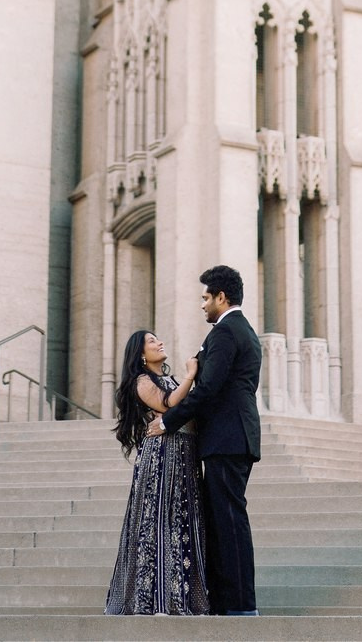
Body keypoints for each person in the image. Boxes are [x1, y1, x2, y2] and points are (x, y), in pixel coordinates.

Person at [146, 264, 262, 618]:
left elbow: (209, 388)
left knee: (228, 522)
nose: (202, 305)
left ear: (221, 297)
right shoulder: (239, 330)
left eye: (206, 298)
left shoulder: (227, 332)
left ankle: (240, 606)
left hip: (228, 438)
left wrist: (168, 420)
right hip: (231, 436)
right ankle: (228, 603)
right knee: (224, 521)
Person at [104, 329, 210, 616]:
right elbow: (168, 404)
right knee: (158, 520)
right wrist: (191, 374)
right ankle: (155, 599)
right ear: (140, 353)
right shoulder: (141, 381)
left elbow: (182, 407)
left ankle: (184, 598)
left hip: (185, 455)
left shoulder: (169, 380)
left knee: (185, 521)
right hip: (162, 456)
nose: (159, 342)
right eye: (152, 341)